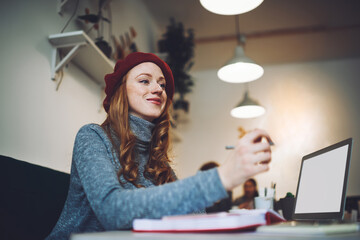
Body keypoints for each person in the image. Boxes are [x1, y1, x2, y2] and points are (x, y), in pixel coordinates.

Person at [46, 52, 272, 239]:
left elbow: (196, 215)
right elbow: (112, 210)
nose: (158, 89)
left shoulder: (159, 163)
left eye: (162, 84)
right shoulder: (92, 136)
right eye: (145, 81)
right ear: (120, 91)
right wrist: (222, 177)